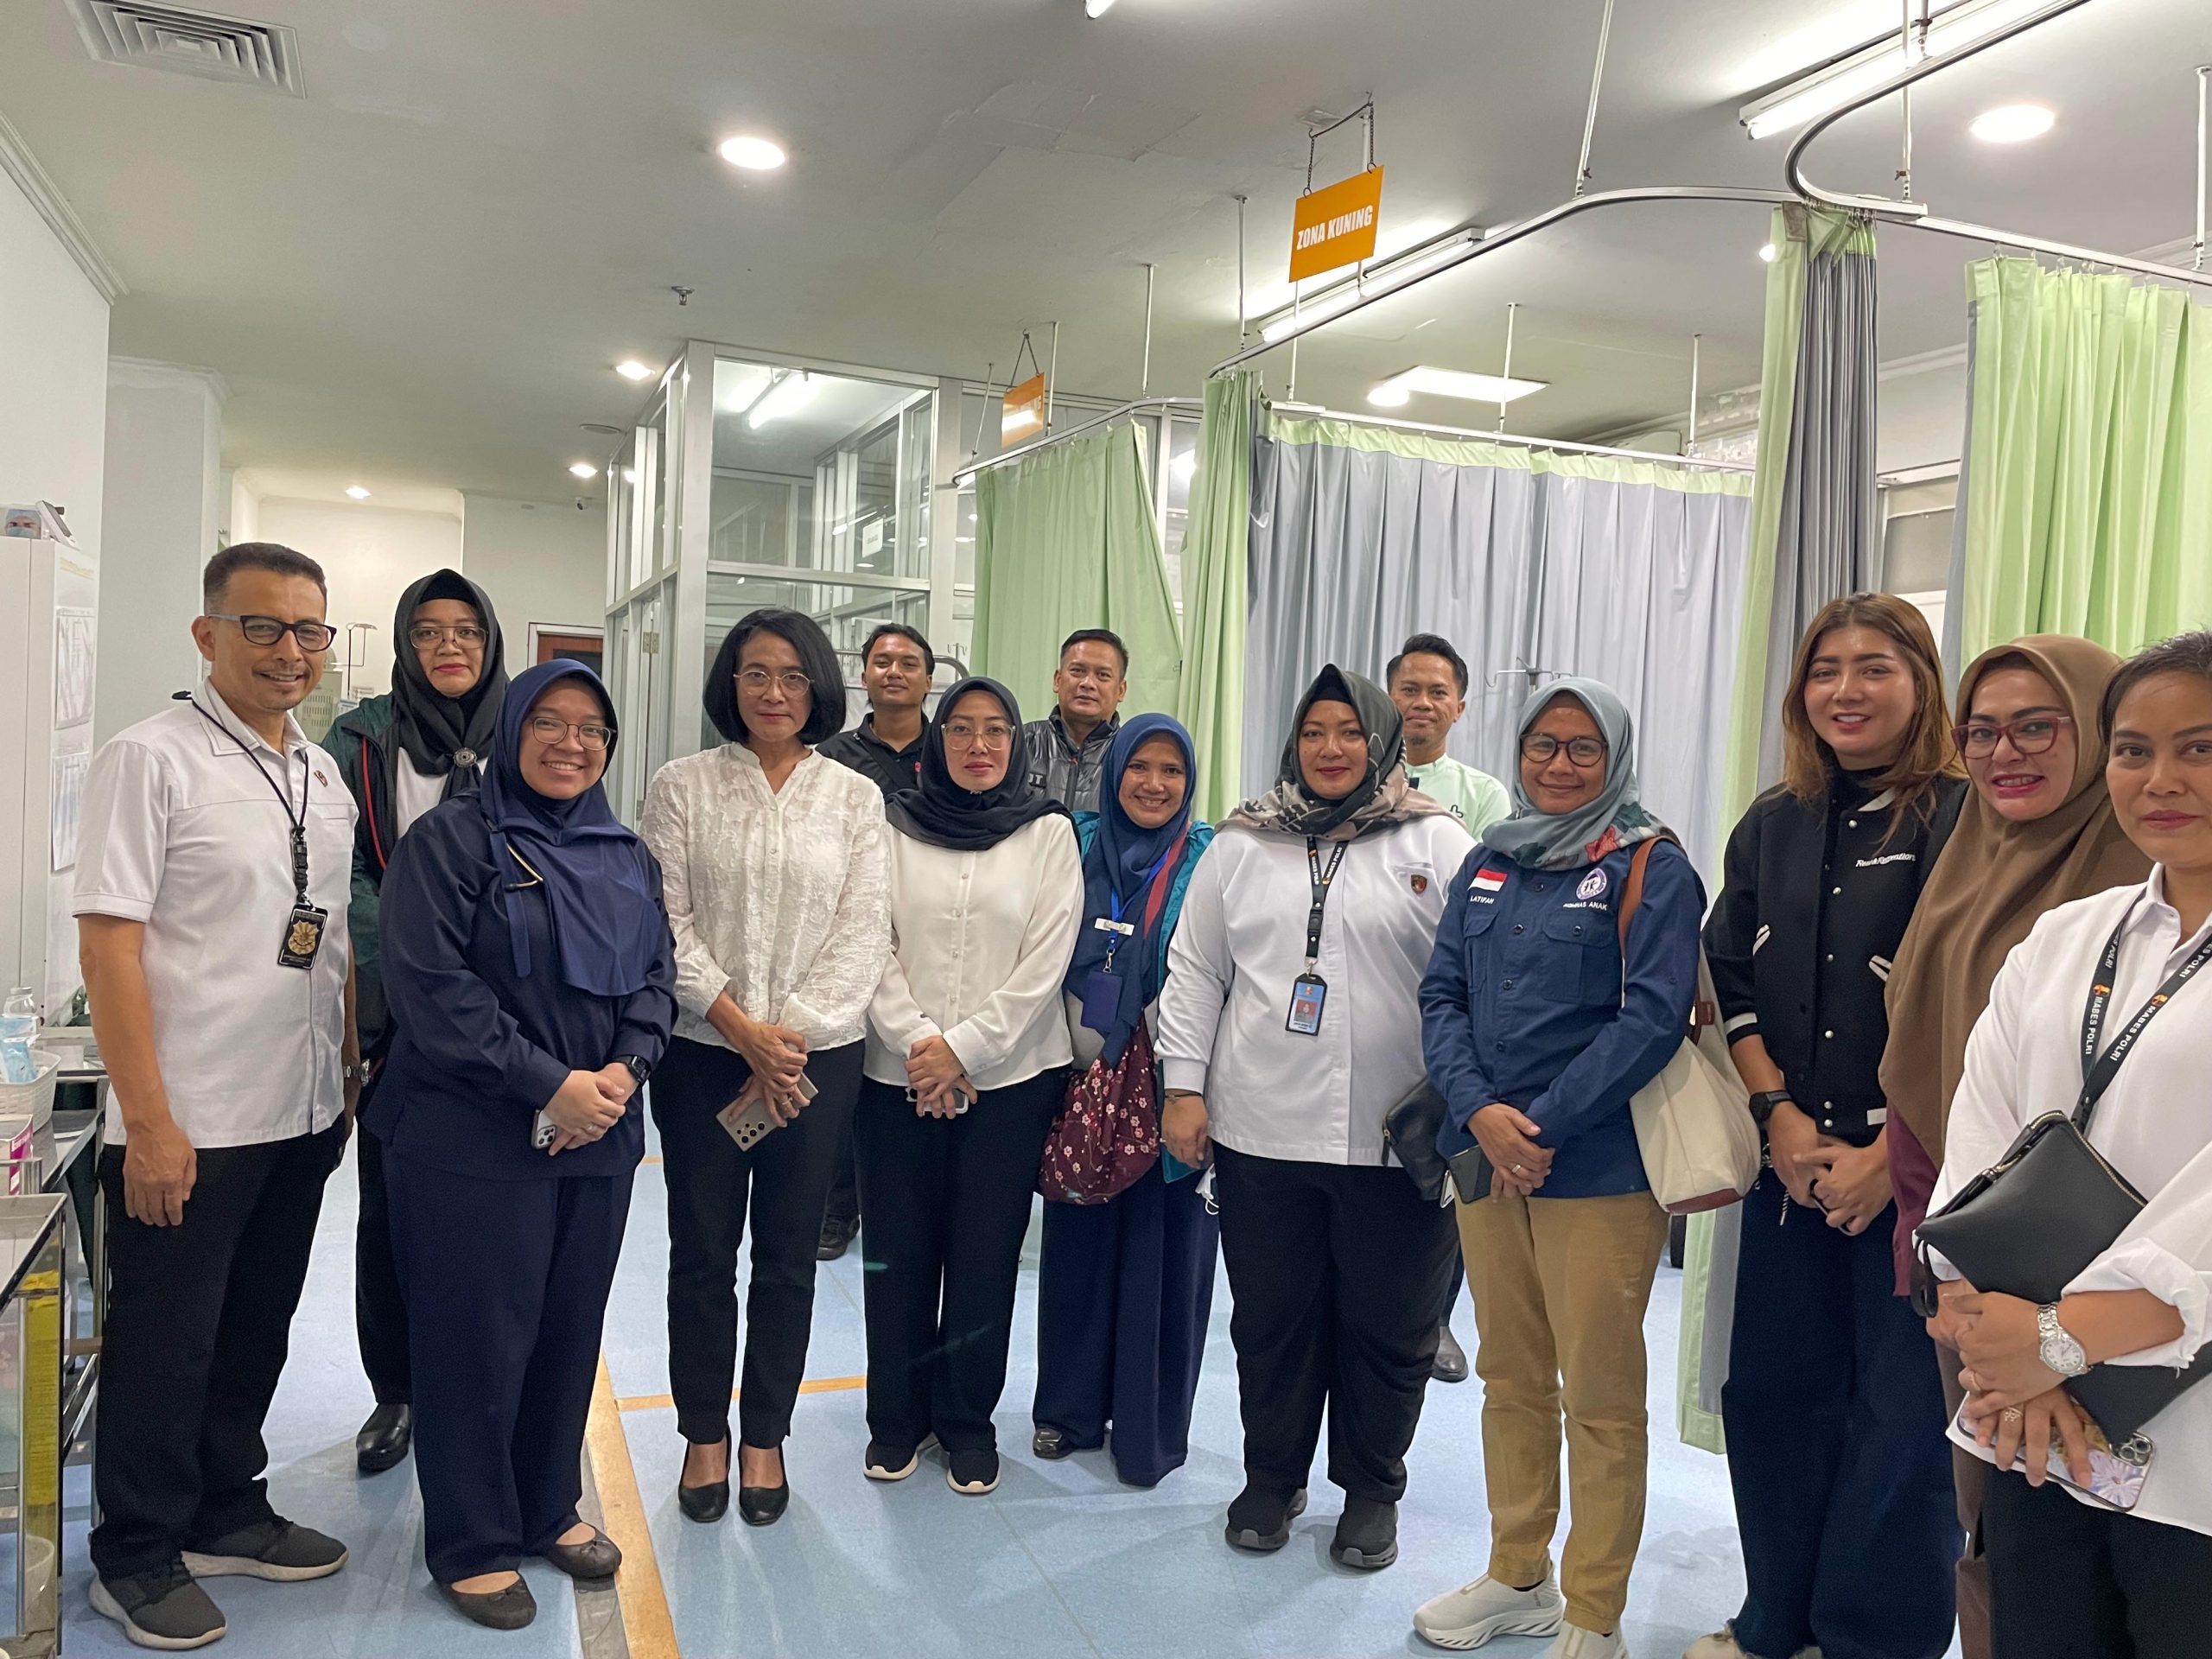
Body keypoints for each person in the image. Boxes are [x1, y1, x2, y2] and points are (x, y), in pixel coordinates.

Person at [74, 542, 358, 1649]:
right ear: (208, 634)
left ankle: (226, 1509)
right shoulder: (148, 758)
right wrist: (147, 1123)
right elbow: (110, 946)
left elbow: (327, 939)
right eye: (263, 627)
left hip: (300, 1111)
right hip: (188, 1119)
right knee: (165, 1344)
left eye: (308, 630)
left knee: (254, 1328)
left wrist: (343, 1076)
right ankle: (137, 1554)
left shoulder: (319, 772)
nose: (290, 651)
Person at [371, 660, 675, 1630]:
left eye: (591, 729)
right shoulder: (451, 840)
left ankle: (547, 1507)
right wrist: (549, 1083)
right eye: (548, 722)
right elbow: (432, 989)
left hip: (598, 1135)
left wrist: (623, 1072)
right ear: (510, 731)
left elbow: (657, 977)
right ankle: (472, 1542)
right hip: (472, 1138)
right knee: (473, 1339)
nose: (570, 744)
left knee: (566, 1329)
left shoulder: (626, 853)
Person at [1926, 631, 2212, 1659]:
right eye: (2133, 750)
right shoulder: (2065, 940)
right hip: (2034, 1424)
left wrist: (2057, 1340)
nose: (2159, 779)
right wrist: (1988, 1323)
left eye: (2199, 748)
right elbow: (1980, 1142)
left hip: (2193, 1445)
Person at [1694, 594, 1967, 1659]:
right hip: (1791, 1165)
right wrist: (1774, 1116)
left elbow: (1977, 1007)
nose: (1845, 691)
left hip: (1920, 1175)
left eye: (1873, 668)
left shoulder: (1965, 819)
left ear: (1921, 683)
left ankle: (1871, 1639)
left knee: (1900, 1420)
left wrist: (1888, 1157)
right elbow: (1730, 976)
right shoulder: (1774, 819)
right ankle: (1778, 1619)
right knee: (1772, 1395)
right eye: (1824, 670)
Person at [1410, 677, 1704, 1659]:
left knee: (1602, 1399)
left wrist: (1536, 1127)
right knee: (1510, 1376)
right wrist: (1479, 1113)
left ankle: (1593, 1610)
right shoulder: (1489, 860)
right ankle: (1518, 1573)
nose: (1560, 764)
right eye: (1543, 745)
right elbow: (1442, 995)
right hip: (1485, 1159)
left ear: (1614, 759)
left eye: (1583, 748)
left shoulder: (1651, 865)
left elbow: (1652, 1018)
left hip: (1597, 1172)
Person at [1156, 666, 1473, 1573]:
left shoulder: (1438, 840)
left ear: (1381, 742)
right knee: (1272, 1320)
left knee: (1391, 1327)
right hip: (1261, 1131)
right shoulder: (1242, 843)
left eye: (1349, 733)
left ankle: (1372, 1490)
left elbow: (1473, 981)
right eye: (1313, 733)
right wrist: (1183, 1089)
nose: (1330, 750)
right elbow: (1195, 971)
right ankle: (1271, 1478)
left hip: (1398, 1141)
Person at [1878, 635, 2146, 1659]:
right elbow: (1927, 1077)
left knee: (2139, 1557)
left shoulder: (2147, 880)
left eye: (2038, 727)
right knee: (2008, 1526)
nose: (2005, 753)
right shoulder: (1967, 860)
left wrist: (2061, 1331)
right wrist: (1958, 1291)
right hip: (1974, 1274)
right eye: (1982, 732)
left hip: (2136, 1300)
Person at [639, 609, 890, 1527]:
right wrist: (742, 1030)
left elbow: (864, 930)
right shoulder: (681, 786)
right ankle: (704, 1434)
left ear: (817, 686)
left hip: (814, 1067)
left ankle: (764, 1439)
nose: (774, 692)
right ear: (730, 684)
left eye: (791, 675)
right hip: (704, 1057)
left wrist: (784, 1044)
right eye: (755, 674)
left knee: (788, 1259)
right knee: (702, 1254)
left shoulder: (854, 798)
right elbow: (664, 923)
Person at [860, 678, 1084, 1496]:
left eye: (995, 730)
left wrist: (962, 1050)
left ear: (1016, 743)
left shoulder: (1048, 833)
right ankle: (895, 1419)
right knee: (897, 1256)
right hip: (896, 1078)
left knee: (984, 1258)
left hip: (1011, 1080)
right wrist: (921, 1045)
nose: (978, 745)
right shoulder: (889, 826)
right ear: (937, 739)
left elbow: (1045, 962)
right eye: (961, 729)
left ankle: (966, 1423)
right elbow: (868, 941)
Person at [326, 568, 509, 1478]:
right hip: (397, 1012)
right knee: (392, 1210)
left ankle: (480, 1387)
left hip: (507, 1013)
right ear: (405, 643)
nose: (449, 647)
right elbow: (341, 866)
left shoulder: (527, 728)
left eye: (466, 631)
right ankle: (395, 1390)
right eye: (429, 631)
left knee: (497, 1214)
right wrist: (415, 953)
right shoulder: (363, 736)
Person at [1032, 714, 1219, 1487]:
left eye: (1172, 771)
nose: (1153, 784)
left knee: (1165, 1253)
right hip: (1083, 1080)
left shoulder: (1208, 856)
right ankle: (1068, 1411)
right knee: (1079, 1240)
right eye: (1139, 766)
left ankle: (1148, 1432)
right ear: (1113, 775)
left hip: (1175, 1083)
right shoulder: (1076, 843)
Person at [1388, 630, 1514, 1385]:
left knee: (1445, 1161)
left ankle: (1436, 1317)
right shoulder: (1358, 776)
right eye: (1410, 689)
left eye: (1438, 692)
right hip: (1378, 993)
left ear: (1460, 707)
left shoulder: (1484, 795)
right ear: (1390, 695)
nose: (1422, 703)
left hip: (1453, 999)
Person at [814, 620, 934, 1261]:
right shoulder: (831, 757)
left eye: (908, 663)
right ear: (863, 676)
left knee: (909, 1070)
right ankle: (836, 1209)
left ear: (928, 679)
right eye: (882, 662)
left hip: (922, 935)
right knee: (845, 1079)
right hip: (843, 932)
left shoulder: (948, 752)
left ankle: (902, 1206)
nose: (894, 672)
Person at [1021, 628, 1129, 810]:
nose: (1088, 683)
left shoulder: (1130, 754)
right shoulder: (1021, 742)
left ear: (1121, 690)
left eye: (1103, 675)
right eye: (1078, 671)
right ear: (1057, 680)